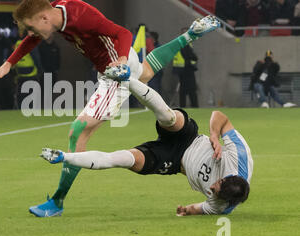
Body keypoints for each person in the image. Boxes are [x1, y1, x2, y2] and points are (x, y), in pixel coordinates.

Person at [0, 0, 221, 217]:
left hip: (114, 71)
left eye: (30, 26)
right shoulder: (55, 11)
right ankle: (190, 35)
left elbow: (122, 33)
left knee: (78, 131)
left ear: (44, 18)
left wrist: (119, 62)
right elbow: (33, 38)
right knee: (146, 72)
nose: (30, 32)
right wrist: (9, 63)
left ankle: (56, 202)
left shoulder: (79, 16)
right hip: (119, 61)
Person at [41, 67, 252, 216]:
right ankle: (126, 78)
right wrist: (214, 135)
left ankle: (62, 156)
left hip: (171, 161)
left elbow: (203, 208)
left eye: (215, 191)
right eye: (218, 183)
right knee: (169, 117)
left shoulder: (222, 205)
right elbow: (219, 116)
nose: (213, 187)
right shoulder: (240, 157)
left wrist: (186, 210)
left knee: (124, 159)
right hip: (189, 137)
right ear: (230, 175)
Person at [172, 28, 199, 108]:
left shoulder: (181, 42)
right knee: (191, 90)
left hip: (181, 69)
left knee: (183, 91)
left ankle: (183, 106)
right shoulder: (184, 43)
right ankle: (194, 106)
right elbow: (189, 55)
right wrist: (195, 58)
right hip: (187, 69)